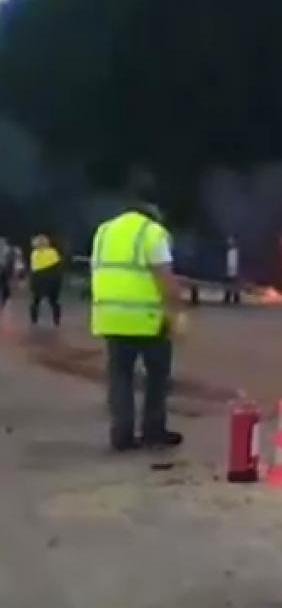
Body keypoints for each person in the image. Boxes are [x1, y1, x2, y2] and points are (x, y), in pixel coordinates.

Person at [91, 168, 187, 451]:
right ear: (153, 205)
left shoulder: (104, 230)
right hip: (148, 320)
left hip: (111, 318)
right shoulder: (152, 233)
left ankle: (121, 434)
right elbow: (164, 278)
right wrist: (177, 313)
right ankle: (153, 430)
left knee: (119, 378)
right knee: (157, 377)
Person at [29, 234, 65, 327]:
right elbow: (57, 266)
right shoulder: (53, 252)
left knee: (35, 300)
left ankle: (34, 320)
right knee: (54, 301)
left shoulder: (34, 253)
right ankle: (56, 320)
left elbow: (34, 268)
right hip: (52, 279)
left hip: (38, 279)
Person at [223, 236, 241, 305]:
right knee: (228, 286)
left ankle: (236, 298)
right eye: (229, 241)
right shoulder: (227, 251)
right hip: (229, 270)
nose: (230, 242)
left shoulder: (237, 251)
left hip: (235, 270)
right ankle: (227, 298)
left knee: (235, 285)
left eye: (231, 241)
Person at [0, 236, 15, 309]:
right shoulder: (7, 249)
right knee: (4, 284)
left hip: (5, 269)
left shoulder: (8, 249)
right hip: (3, 268)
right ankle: (5, 299)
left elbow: (11, 260)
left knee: (4, 284)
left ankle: (6, 299)